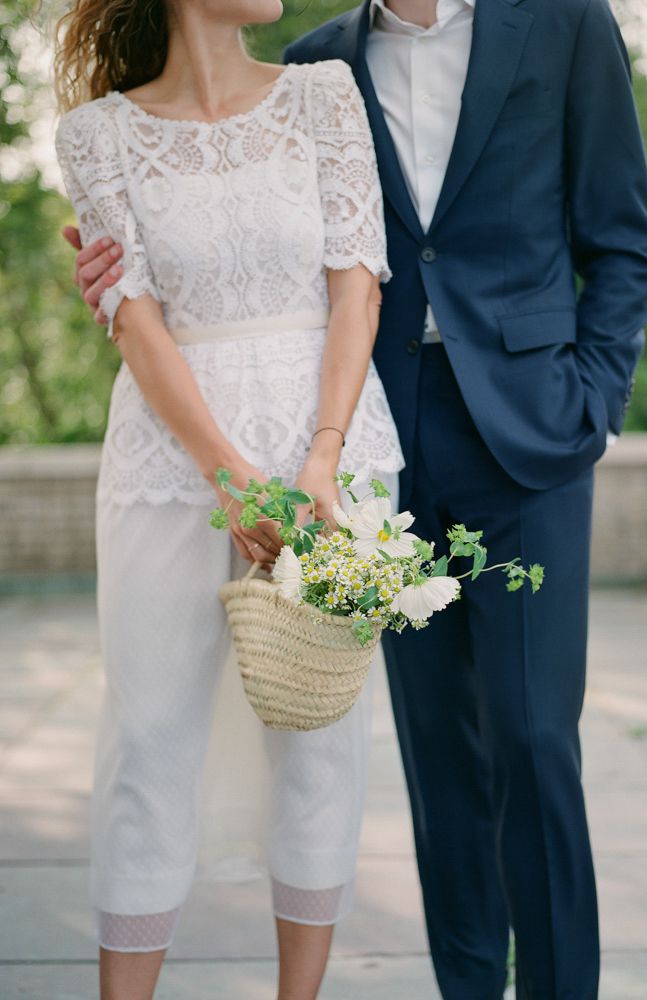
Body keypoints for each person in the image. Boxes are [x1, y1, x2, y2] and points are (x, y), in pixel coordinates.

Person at [66, 0, 647, 997]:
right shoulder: (323, 58)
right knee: (440, 761)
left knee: (532, 737)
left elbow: (622, 238)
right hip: (390, 435)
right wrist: (106, 276)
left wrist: (593, 404)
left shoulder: (563, 24)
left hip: (524, 429)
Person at [53, 1, 403, 998]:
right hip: (172, 463)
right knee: (149, 733)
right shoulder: (97, 134)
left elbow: (358, 285)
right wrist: (229, 473)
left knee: (319, 735)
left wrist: (318, 464)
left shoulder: (323, 97)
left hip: (330, 449)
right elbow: (136, 319)